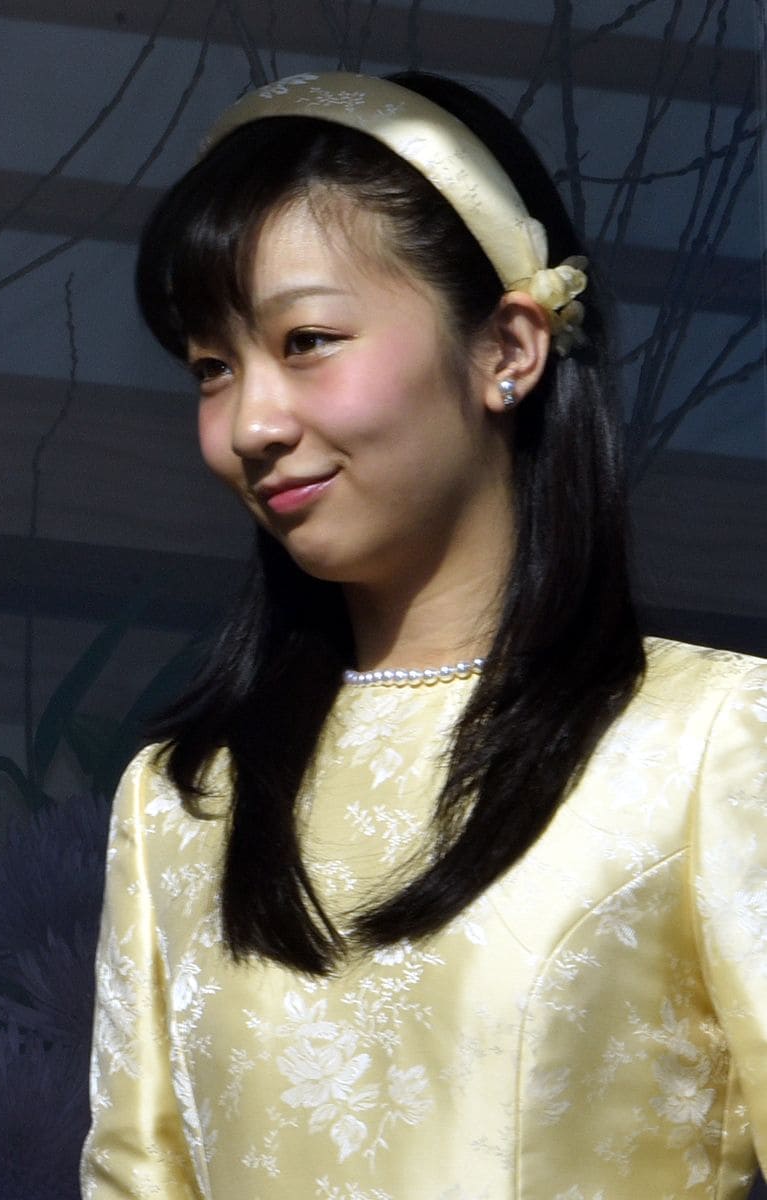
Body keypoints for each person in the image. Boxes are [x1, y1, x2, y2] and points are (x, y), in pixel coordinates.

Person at [80, 71, 766, 1198]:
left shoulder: (708, 743)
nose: (249, 424)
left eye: (304, 339)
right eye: (212, 368)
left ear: (506, 347)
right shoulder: (181, 801)